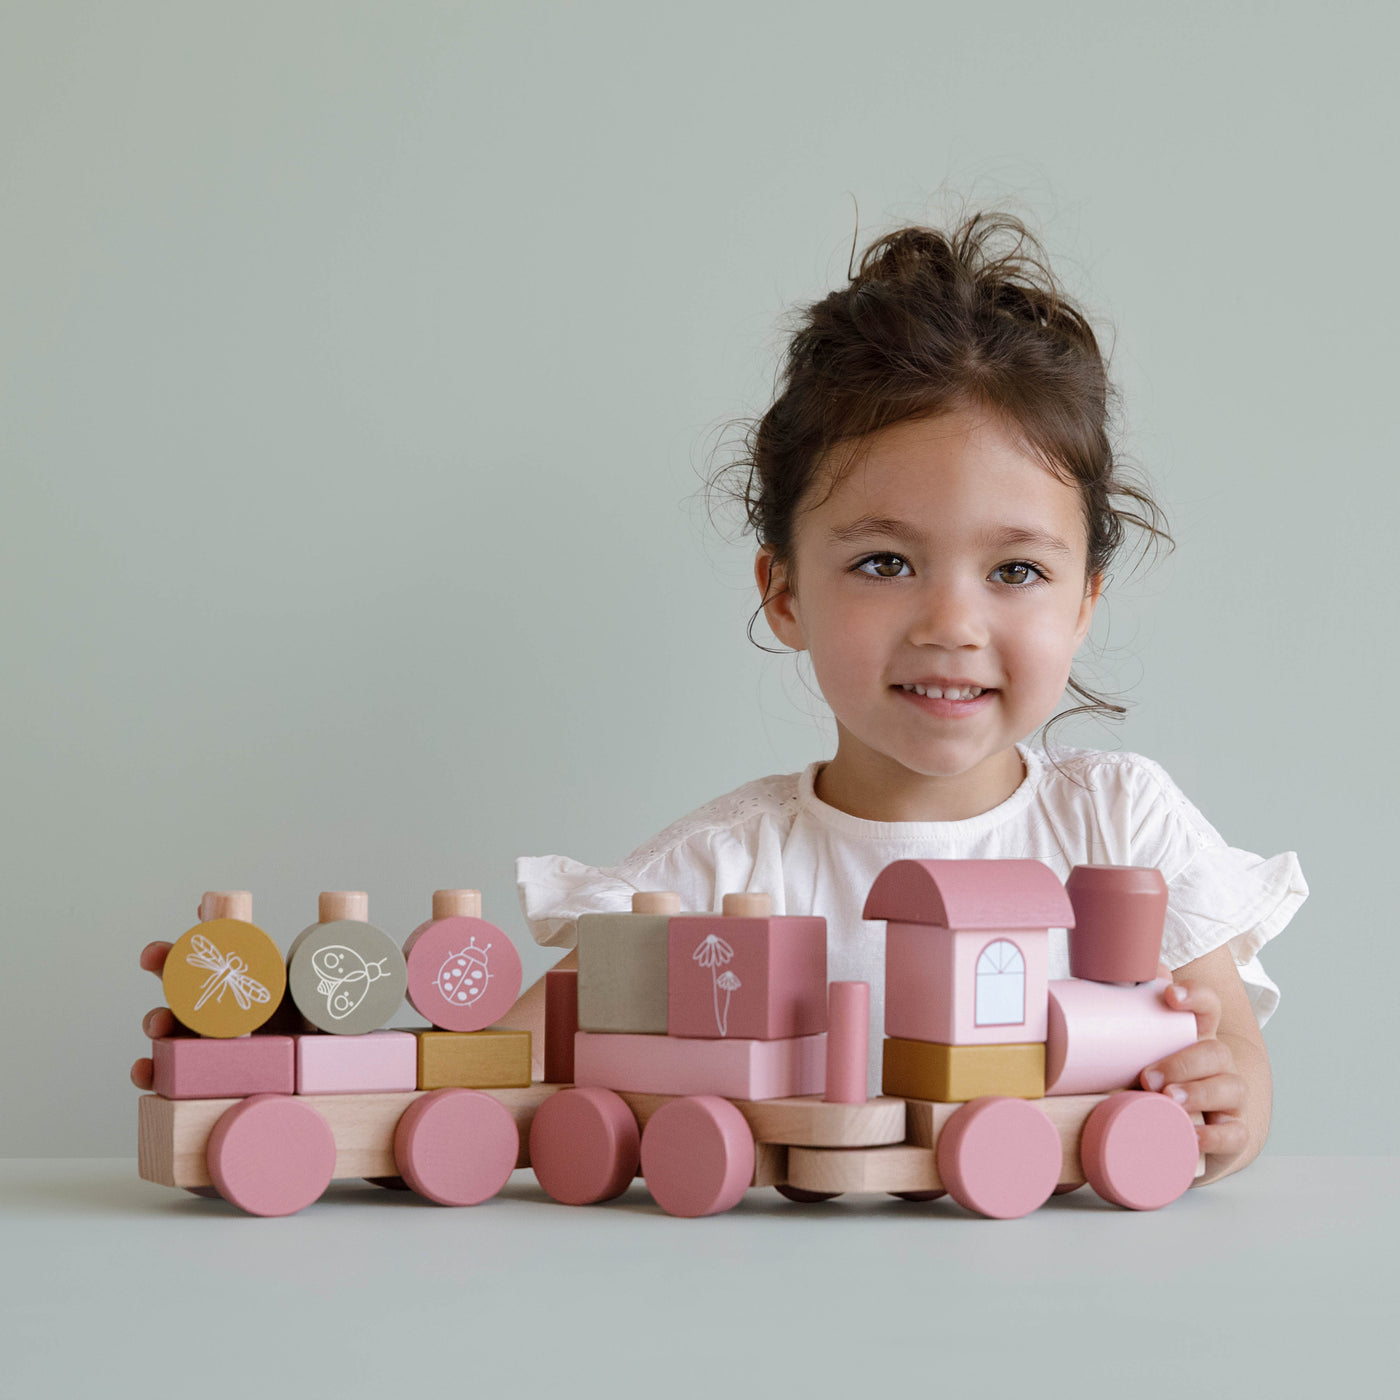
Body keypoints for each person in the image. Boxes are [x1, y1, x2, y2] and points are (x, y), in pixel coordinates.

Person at [507, 210, 1307, 1185]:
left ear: (1083, 601)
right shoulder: (719, 871)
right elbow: (508, 1056)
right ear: (785, 591)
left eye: (1013, 570)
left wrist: (1222, 1108)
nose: (949, 622)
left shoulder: (1119, 824)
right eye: (884, 561)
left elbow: (1237, 1075)